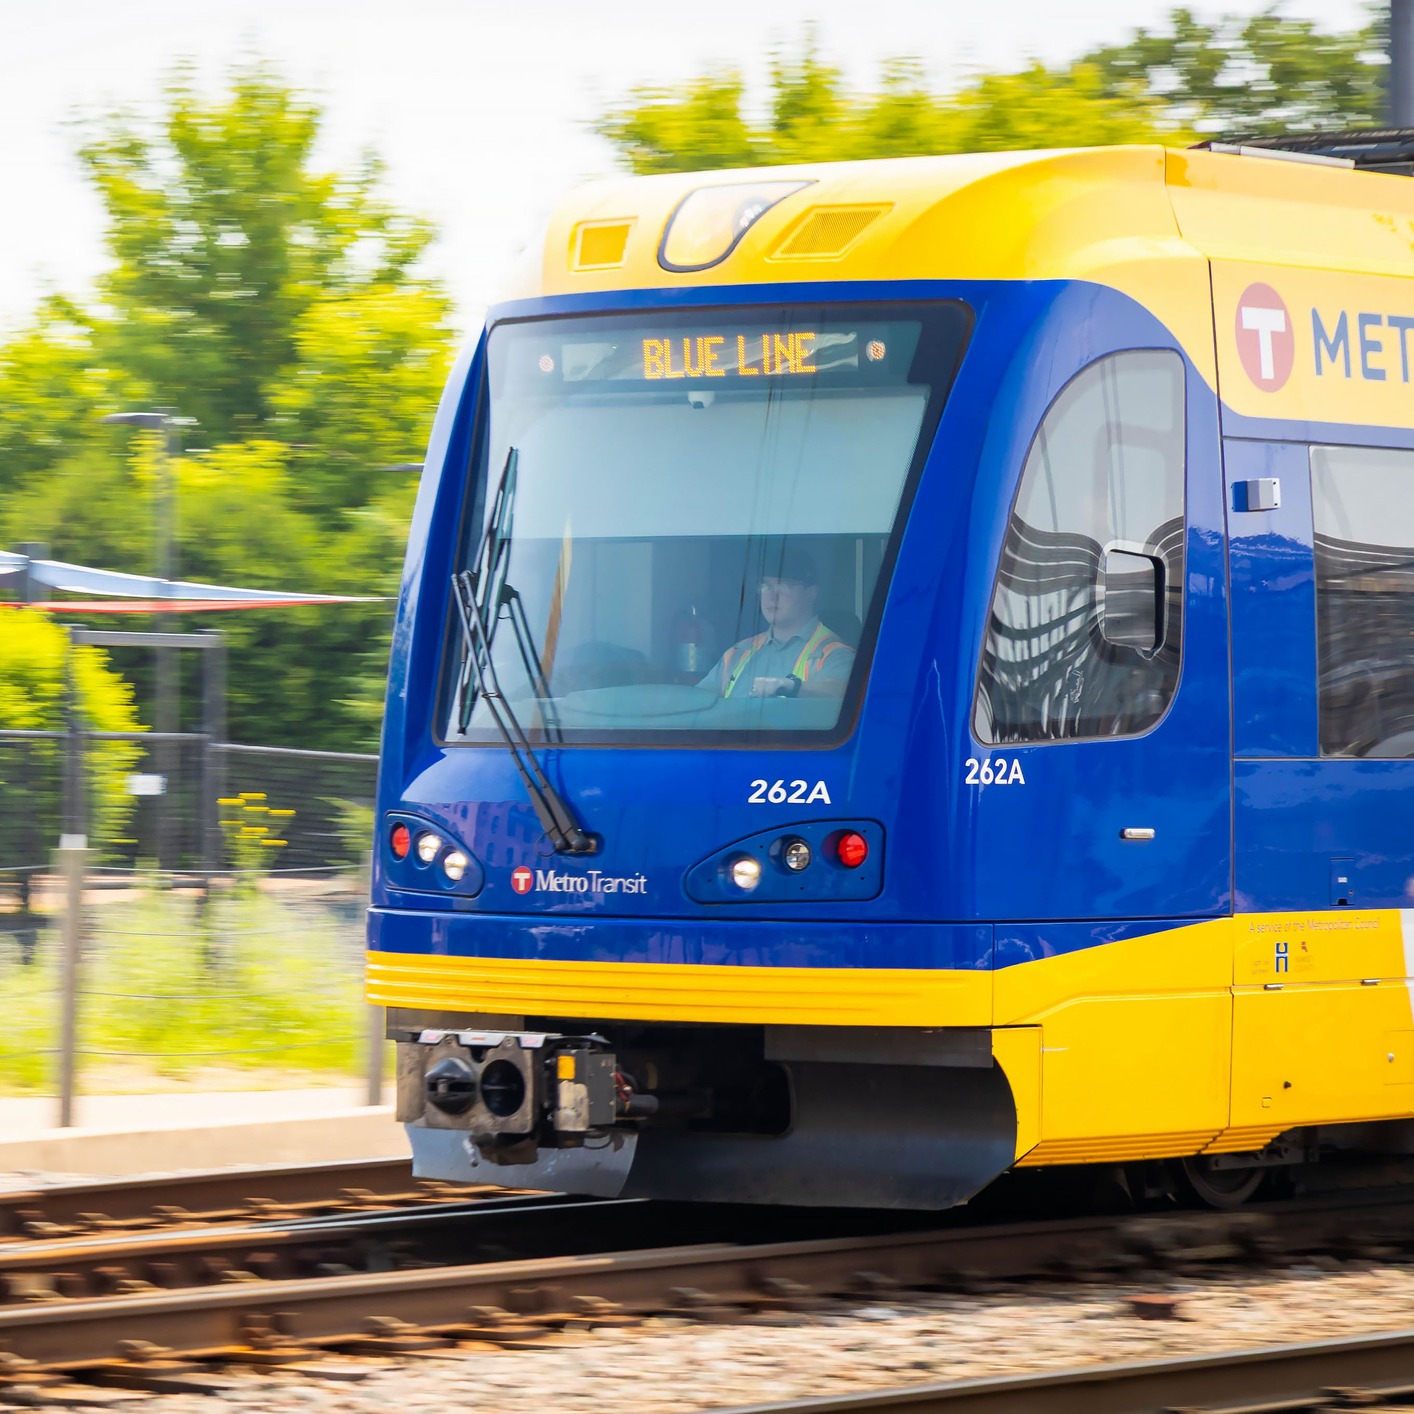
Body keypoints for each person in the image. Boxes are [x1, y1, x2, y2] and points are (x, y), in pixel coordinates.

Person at [700, 550, 855, 699]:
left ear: (811, 593)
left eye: (784, 585)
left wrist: (791, 686)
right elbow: (694, 701)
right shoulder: (737, 654)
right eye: (765, 586)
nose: (771, 596)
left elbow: (843, 691)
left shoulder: (833, 653)